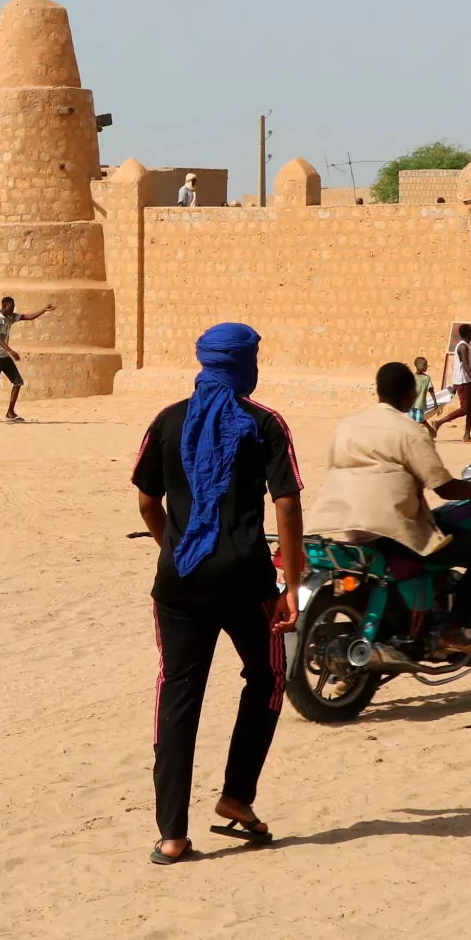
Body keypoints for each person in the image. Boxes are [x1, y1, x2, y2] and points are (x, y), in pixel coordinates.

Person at [131, 323, 303, 865]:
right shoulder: (265, 424)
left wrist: (178, 546)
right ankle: (235, 795)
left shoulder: (167, 420)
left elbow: (146, 503)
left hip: (179, 583)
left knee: (178, 696)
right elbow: (288, 505)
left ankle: (172, 836)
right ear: (246, 364)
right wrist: (291, 585)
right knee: (268, 677)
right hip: (247, 581)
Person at [308, 361, 471, 657]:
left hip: (343, 527)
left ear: (379, 392)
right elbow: (444, 487)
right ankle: (452, 628)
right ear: (410, 395)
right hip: (391, 530)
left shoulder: (347, 425)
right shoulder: (410, 431)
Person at [0, 294, 55, 423]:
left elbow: (28, 317)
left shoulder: (10, 317)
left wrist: (44, 310)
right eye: (10, 307)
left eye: (13, 308)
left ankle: (10, 412)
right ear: (4, 306)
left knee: (18, 382)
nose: (12, 310)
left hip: (5, 357)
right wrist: (11, 351)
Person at [428, 323, 471, 442]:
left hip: (467, 381)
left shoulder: (465, 346)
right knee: (465, 409)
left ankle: (467, 435)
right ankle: (438, 423)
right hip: (464, 382)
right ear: (468, 334)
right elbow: (465, 366)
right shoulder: (462, 347)